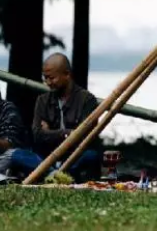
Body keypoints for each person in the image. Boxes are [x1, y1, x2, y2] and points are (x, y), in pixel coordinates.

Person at [9, 53, 102, 182]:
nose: (47, 83)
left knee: (91, 156)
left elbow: (83, 136)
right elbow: (36, 135)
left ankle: (49, 174)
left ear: (67, 74)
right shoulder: (42, 100)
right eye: (45, 78)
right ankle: (56, 175)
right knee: (17, 155)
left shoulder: (86, 100)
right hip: (47, 158)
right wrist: (67, 133)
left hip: (74, 158)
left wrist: (49, 132)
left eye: (51, 78)